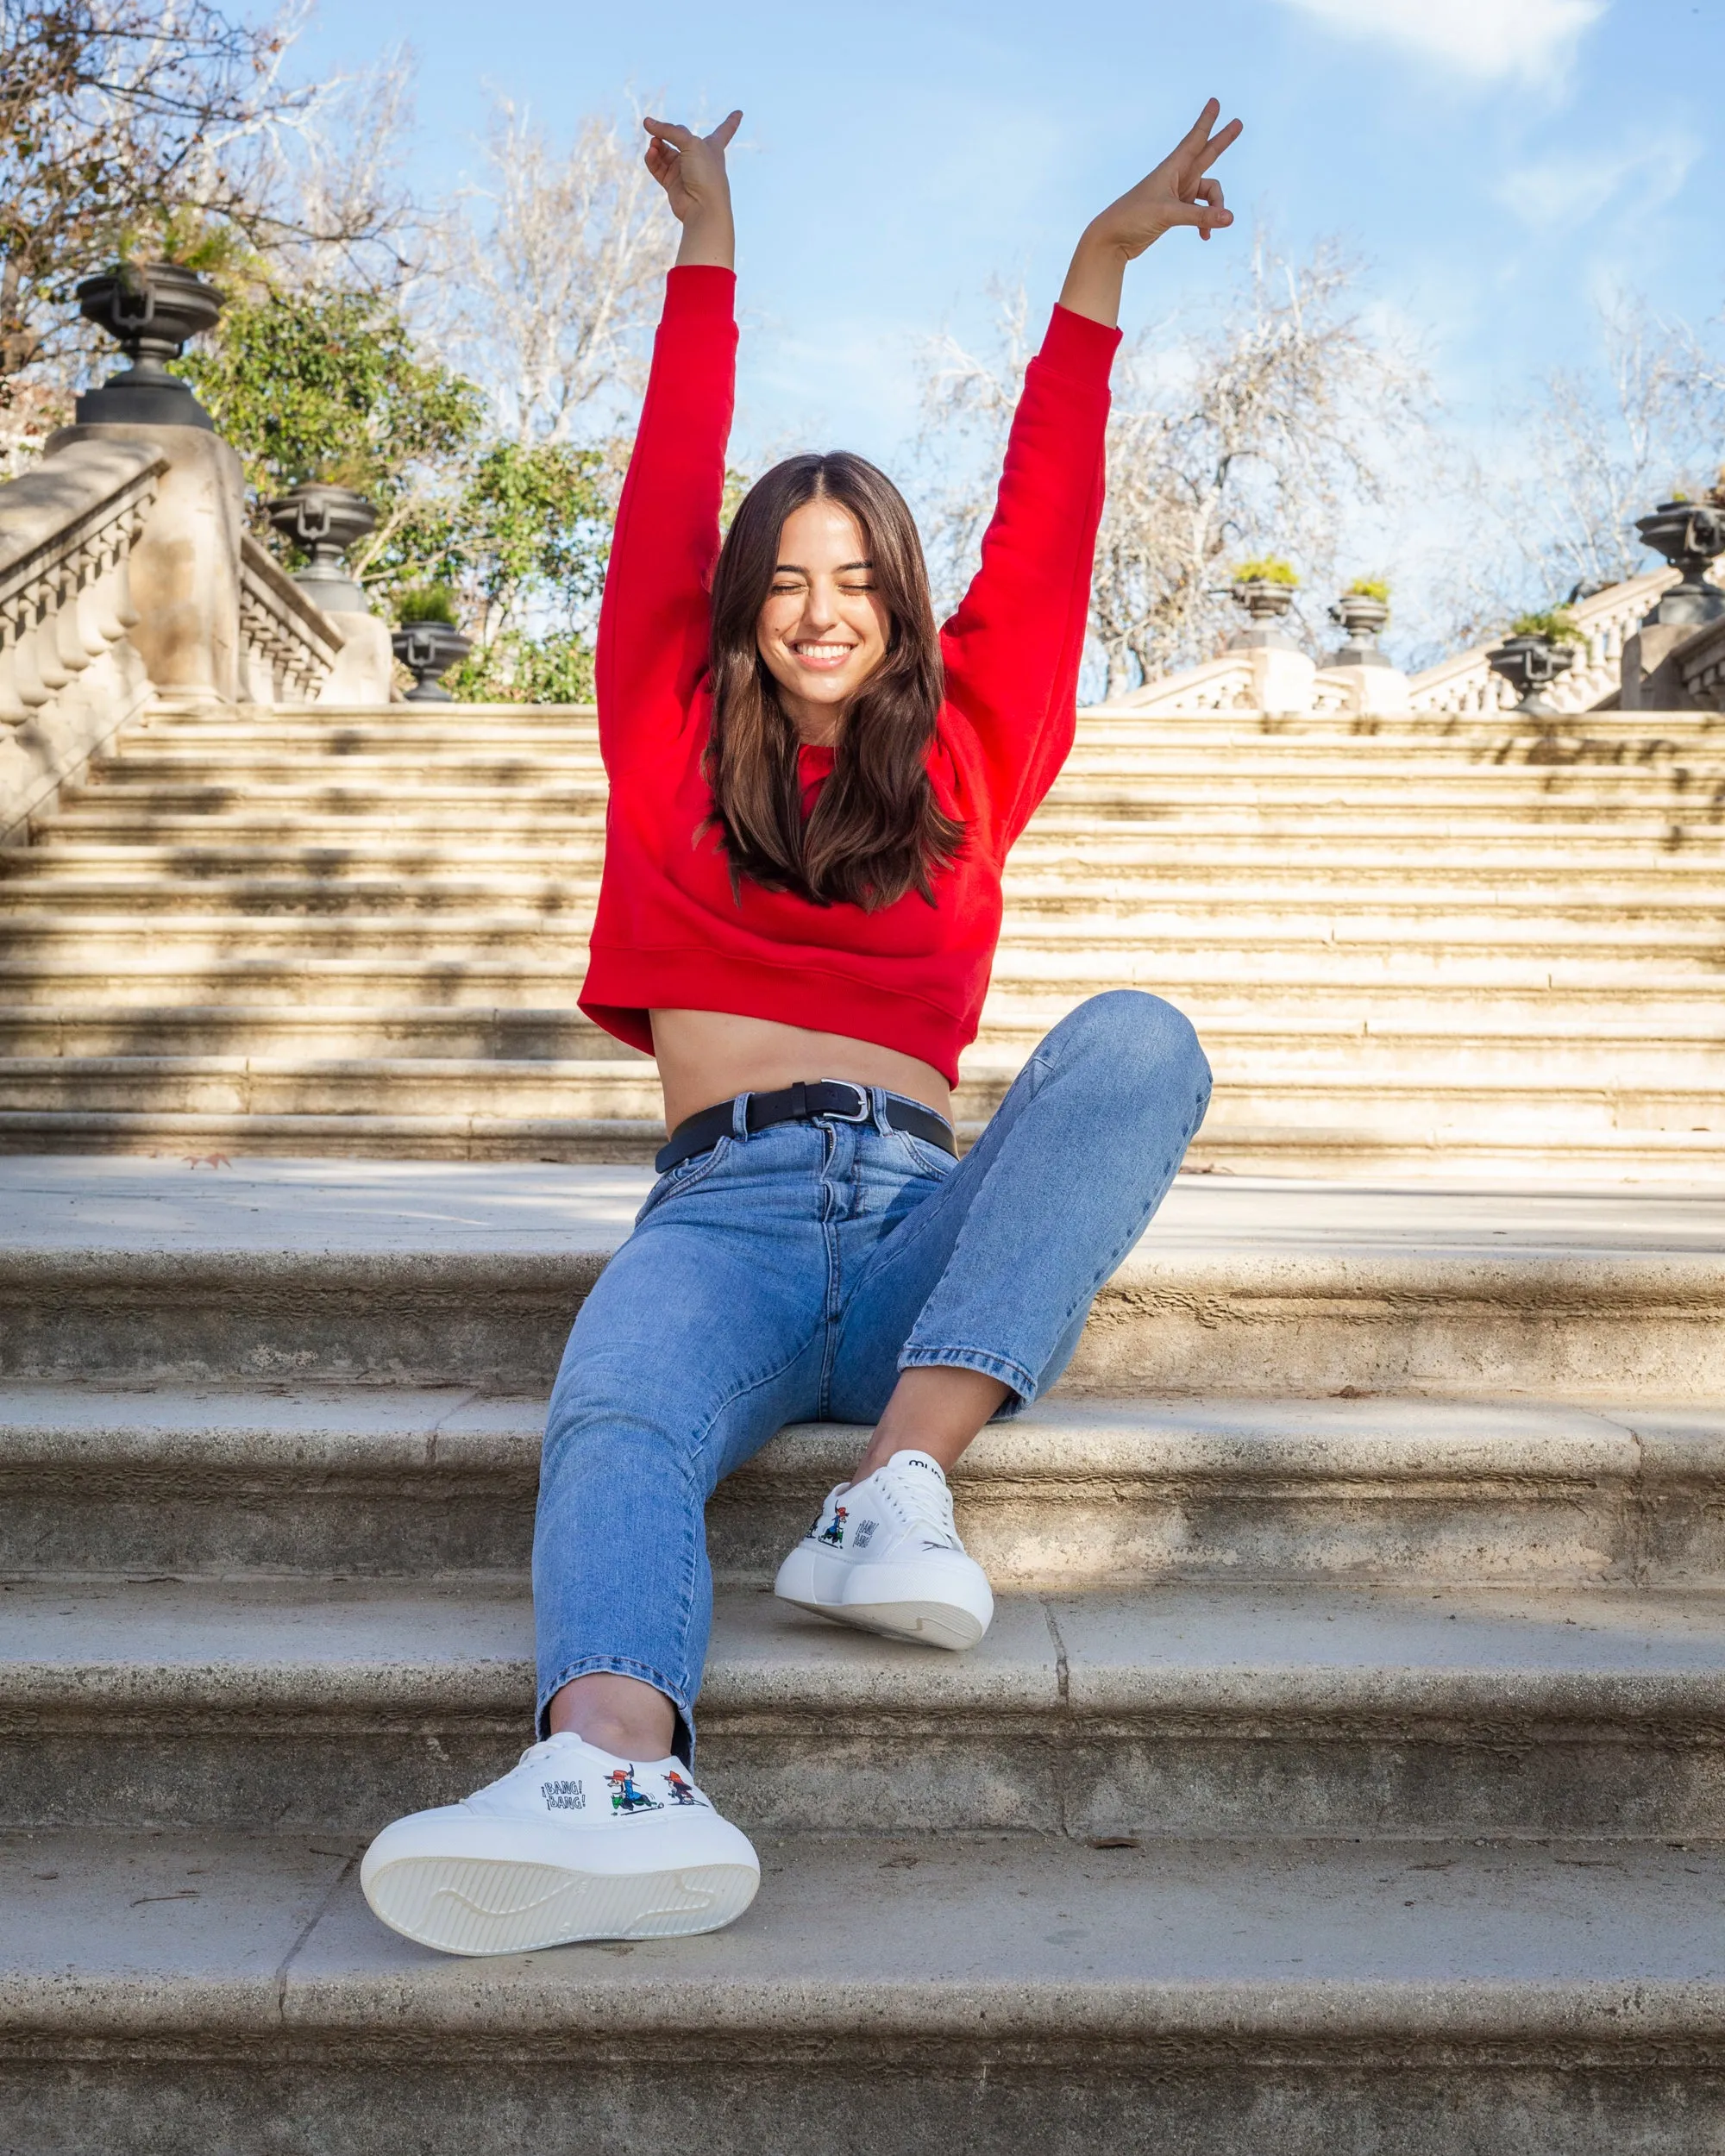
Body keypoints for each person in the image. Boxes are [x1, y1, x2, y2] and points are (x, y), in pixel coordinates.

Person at [361, 95, 1239, 1958]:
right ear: (743, 607)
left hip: (928, 1220)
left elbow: (1054, 522)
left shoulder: (978, 746)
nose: (819, 608)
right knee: (611, 1409)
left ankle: (895, 1477)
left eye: (856, 577)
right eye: (785, 579)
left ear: (898, 600)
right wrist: (707, 246)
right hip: (727, 1219)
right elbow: (671, 475)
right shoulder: (663, 723)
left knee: (1140, 1038)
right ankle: (612, 1760)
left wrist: (1097, 268)